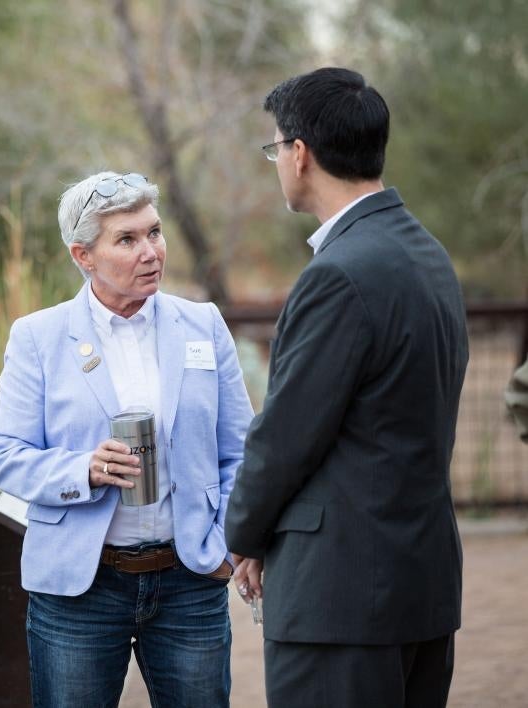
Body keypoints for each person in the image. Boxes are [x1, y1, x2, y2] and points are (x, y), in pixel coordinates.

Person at [224, 67, 469, 708]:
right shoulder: (426, 253)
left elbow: (287, 433)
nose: (276, 160)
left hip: (342, 598)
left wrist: (244, 534)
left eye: (275, 147)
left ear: (299, 155)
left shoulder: (340, 273)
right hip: (420, 583)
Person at [0, 170, 254, 707]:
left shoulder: (202, 325)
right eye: (127, 240)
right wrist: (82, 469)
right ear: (82, 256)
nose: (150, 251)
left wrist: (222, 544)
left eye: (153, 232)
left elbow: (242, 450)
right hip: (79, 589)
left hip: (188, 580)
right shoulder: (38, 338)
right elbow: (5, 458)